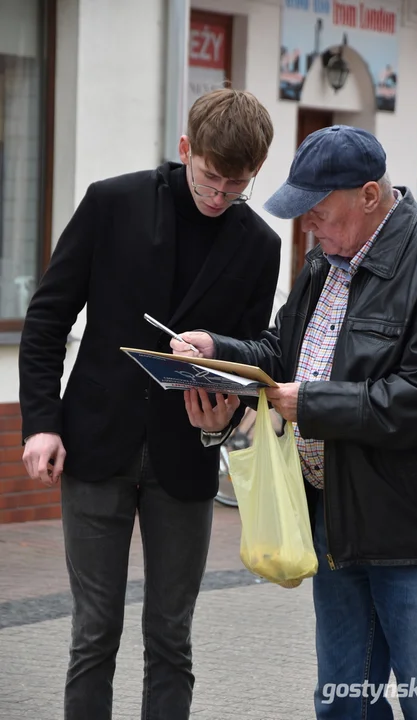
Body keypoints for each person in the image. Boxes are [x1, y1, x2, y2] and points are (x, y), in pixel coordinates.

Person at [171, 125, 417, 719]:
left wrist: (311, 404)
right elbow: (280, 353)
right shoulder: (324, 264)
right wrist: (218, 352)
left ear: (369, 195)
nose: (307, 226)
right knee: (341, 706)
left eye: (317, 212)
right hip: (336, 527)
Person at [19, 88, 281, 720]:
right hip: (94, 444)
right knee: (93, 634)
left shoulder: (260, 245)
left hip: (186, 459)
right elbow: (47, 319)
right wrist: (41, 426)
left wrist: (226, 386)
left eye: (236, 186)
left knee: (170, 638)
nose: (219, 197)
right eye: (210, 178)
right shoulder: (114, 203)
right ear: (186, 149)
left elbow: (262, 354)